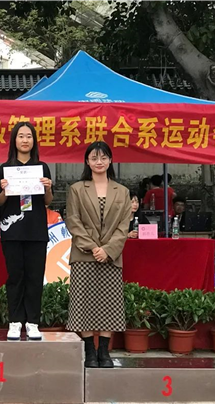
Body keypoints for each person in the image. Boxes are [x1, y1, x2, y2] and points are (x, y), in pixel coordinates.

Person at [65, 141, 131, 368]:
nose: (99, 162)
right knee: (83, 303)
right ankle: (89, 351)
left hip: (111, 257)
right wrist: (93, 248)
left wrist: (108, 250)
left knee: (109, 304)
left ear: (110, 160)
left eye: (103, 158)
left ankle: (104, 352)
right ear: (87, 161)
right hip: (84, 255)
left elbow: (124, 226)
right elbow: (73, 221)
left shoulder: (122, 191)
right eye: (94, 158)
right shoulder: (76, 189)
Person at [0, 121, 53, 341]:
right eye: (21, 136)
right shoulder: (3, 169)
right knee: (15, 277)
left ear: (34, 140)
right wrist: (4, 190)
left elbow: (47, 201)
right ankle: (15, 321)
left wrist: (48, 187)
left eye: (29, 136)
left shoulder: (42, 168)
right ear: (14, 140)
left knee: (35, 277)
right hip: (12, 231)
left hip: (36, 230)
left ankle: (33, 322)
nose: (25, 140)